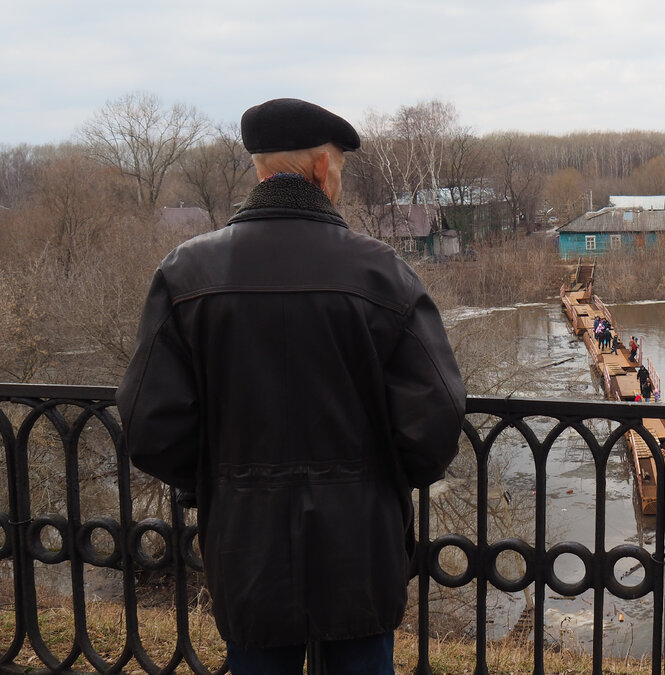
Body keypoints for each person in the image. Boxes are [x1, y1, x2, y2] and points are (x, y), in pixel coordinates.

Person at [117, 98, 466, 675]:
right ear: (324, 169)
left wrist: (216, 478)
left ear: (260, 169)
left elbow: (149, 422)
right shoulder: (380, 272)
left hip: (244, 545)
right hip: (359, 546)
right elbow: (438, 413)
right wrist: (383, 483)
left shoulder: (186, 274)